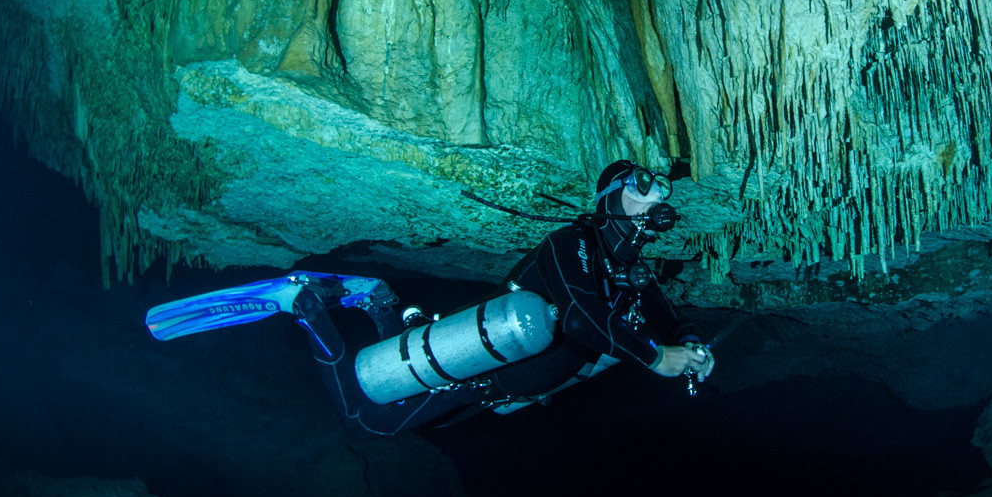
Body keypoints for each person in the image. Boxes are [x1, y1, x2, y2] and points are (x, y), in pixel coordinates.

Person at [300, 160, 715, 434]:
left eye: (661, 189)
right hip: (473, 369)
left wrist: (692, 344)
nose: (657, 196)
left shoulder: (628, 273)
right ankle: (305, 308)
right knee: (366, 421)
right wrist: (657, 358)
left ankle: (383, 305)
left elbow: (669, 316)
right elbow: (578, 319)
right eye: (643, 185)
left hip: (489, 389)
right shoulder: (571, 242)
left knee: (408, 401)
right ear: (609, 196)